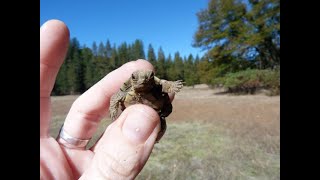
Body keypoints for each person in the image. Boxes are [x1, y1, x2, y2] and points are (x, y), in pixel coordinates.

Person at [40, 19, 173, 179]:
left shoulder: (156, 85)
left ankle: (156, 134)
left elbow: (164, 87)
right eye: (136, 78)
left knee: (160, 121)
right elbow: (118, 95)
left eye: (148, 77)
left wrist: (169, 86)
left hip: (153, 106)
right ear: (132, 79)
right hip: (135, 108)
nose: (142, 80)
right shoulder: (128, 88)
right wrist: (113, 106)